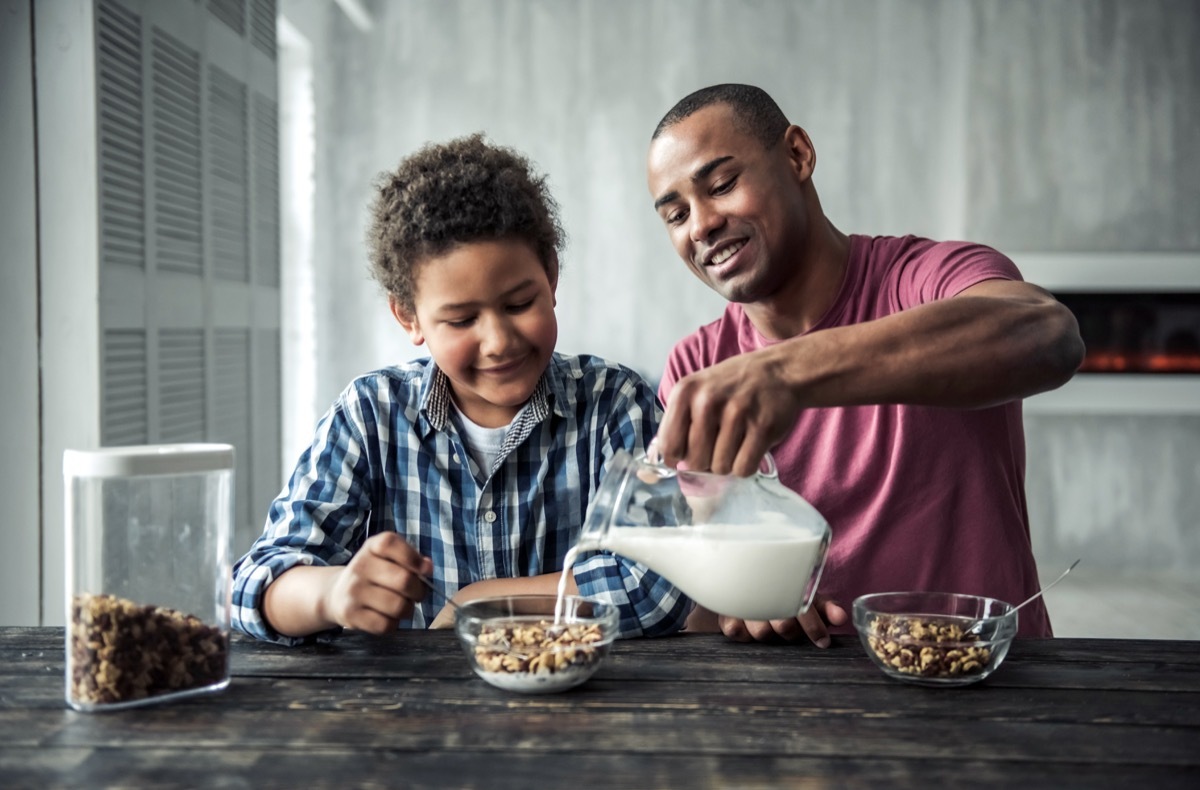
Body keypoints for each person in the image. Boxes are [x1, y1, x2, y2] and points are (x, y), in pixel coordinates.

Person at [645, 84, 1085, 646]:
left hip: (983, 677)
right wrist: (748, 605)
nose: (701, 224)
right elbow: (704, 601)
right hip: (810, 695)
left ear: (798, 155)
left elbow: (1049, 335)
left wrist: (786, 372)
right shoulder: (695, 367)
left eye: (723, 185)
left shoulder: (930, 279)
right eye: (676, 214)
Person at [232, 133, 689, 644]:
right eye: (461, 319)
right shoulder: (371, 414)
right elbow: (255, 582)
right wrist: (332, 592)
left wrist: (482, 600)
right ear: (410, 317)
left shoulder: (615, 404)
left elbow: (662, 583)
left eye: (519, 305)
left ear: (551, 276)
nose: (498, 341)